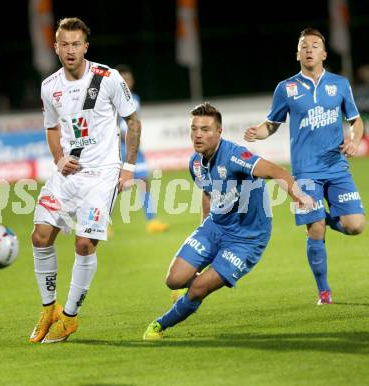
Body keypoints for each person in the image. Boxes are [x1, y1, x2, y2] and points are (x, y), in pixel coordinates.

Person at [143, 102, 313, 340]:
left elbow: (276, 171)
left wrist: (301, 197)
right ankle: (191, 286)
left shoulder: (235, 156)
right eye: (194, 129)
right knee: (174, 280)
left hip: (247, 239)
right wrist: (204, 225)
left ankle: (159, 325)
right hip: (215, 227)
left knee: (198, 288)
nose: (198, 134)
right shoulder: (195, 163)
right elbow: (207, 192)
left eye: (205, 129)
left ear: (219, 132)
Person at [30, 17, 141, 343]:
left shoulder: (108, 78)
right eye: (64, 44)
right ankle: (49, 308)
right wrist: (58, 159)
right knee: (40, 237)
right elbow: (52, 128)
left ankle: (70, 318)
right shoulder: (49, 86)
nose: (70, 50)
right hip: (67, 176)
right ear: (55, 47)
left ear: (85, 47)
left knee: (83, 243)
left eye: (76, 44)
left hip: (102, 175)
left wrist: (129, 168)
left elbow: (132, 122)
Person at [244, 27, 366, 305]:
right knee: (316, 230)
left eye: (314, 45)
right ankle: (324, 291)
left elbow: (356, 120)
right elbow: (271, 125)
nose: (309, 49)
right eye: (303, 46)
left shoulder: (340, 84)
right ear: (297, 53)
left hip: (337, 168)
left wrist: (355, 139)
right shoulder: (286, 88)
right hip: (305, 172)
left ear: (323, 53)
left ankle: (319, 216)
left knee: (356, 225)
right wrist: (257, 132)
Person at [115, 64, 169, 233]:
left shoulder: (135, 98)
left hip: (134, 148)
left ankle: (152, 221)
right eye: (122, 80)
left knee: (144, 182)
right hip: (117, 148)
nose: (126, 82)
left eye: (128, 79)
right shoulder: (111, 99)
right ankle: (101, 222)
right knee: (114, 186)